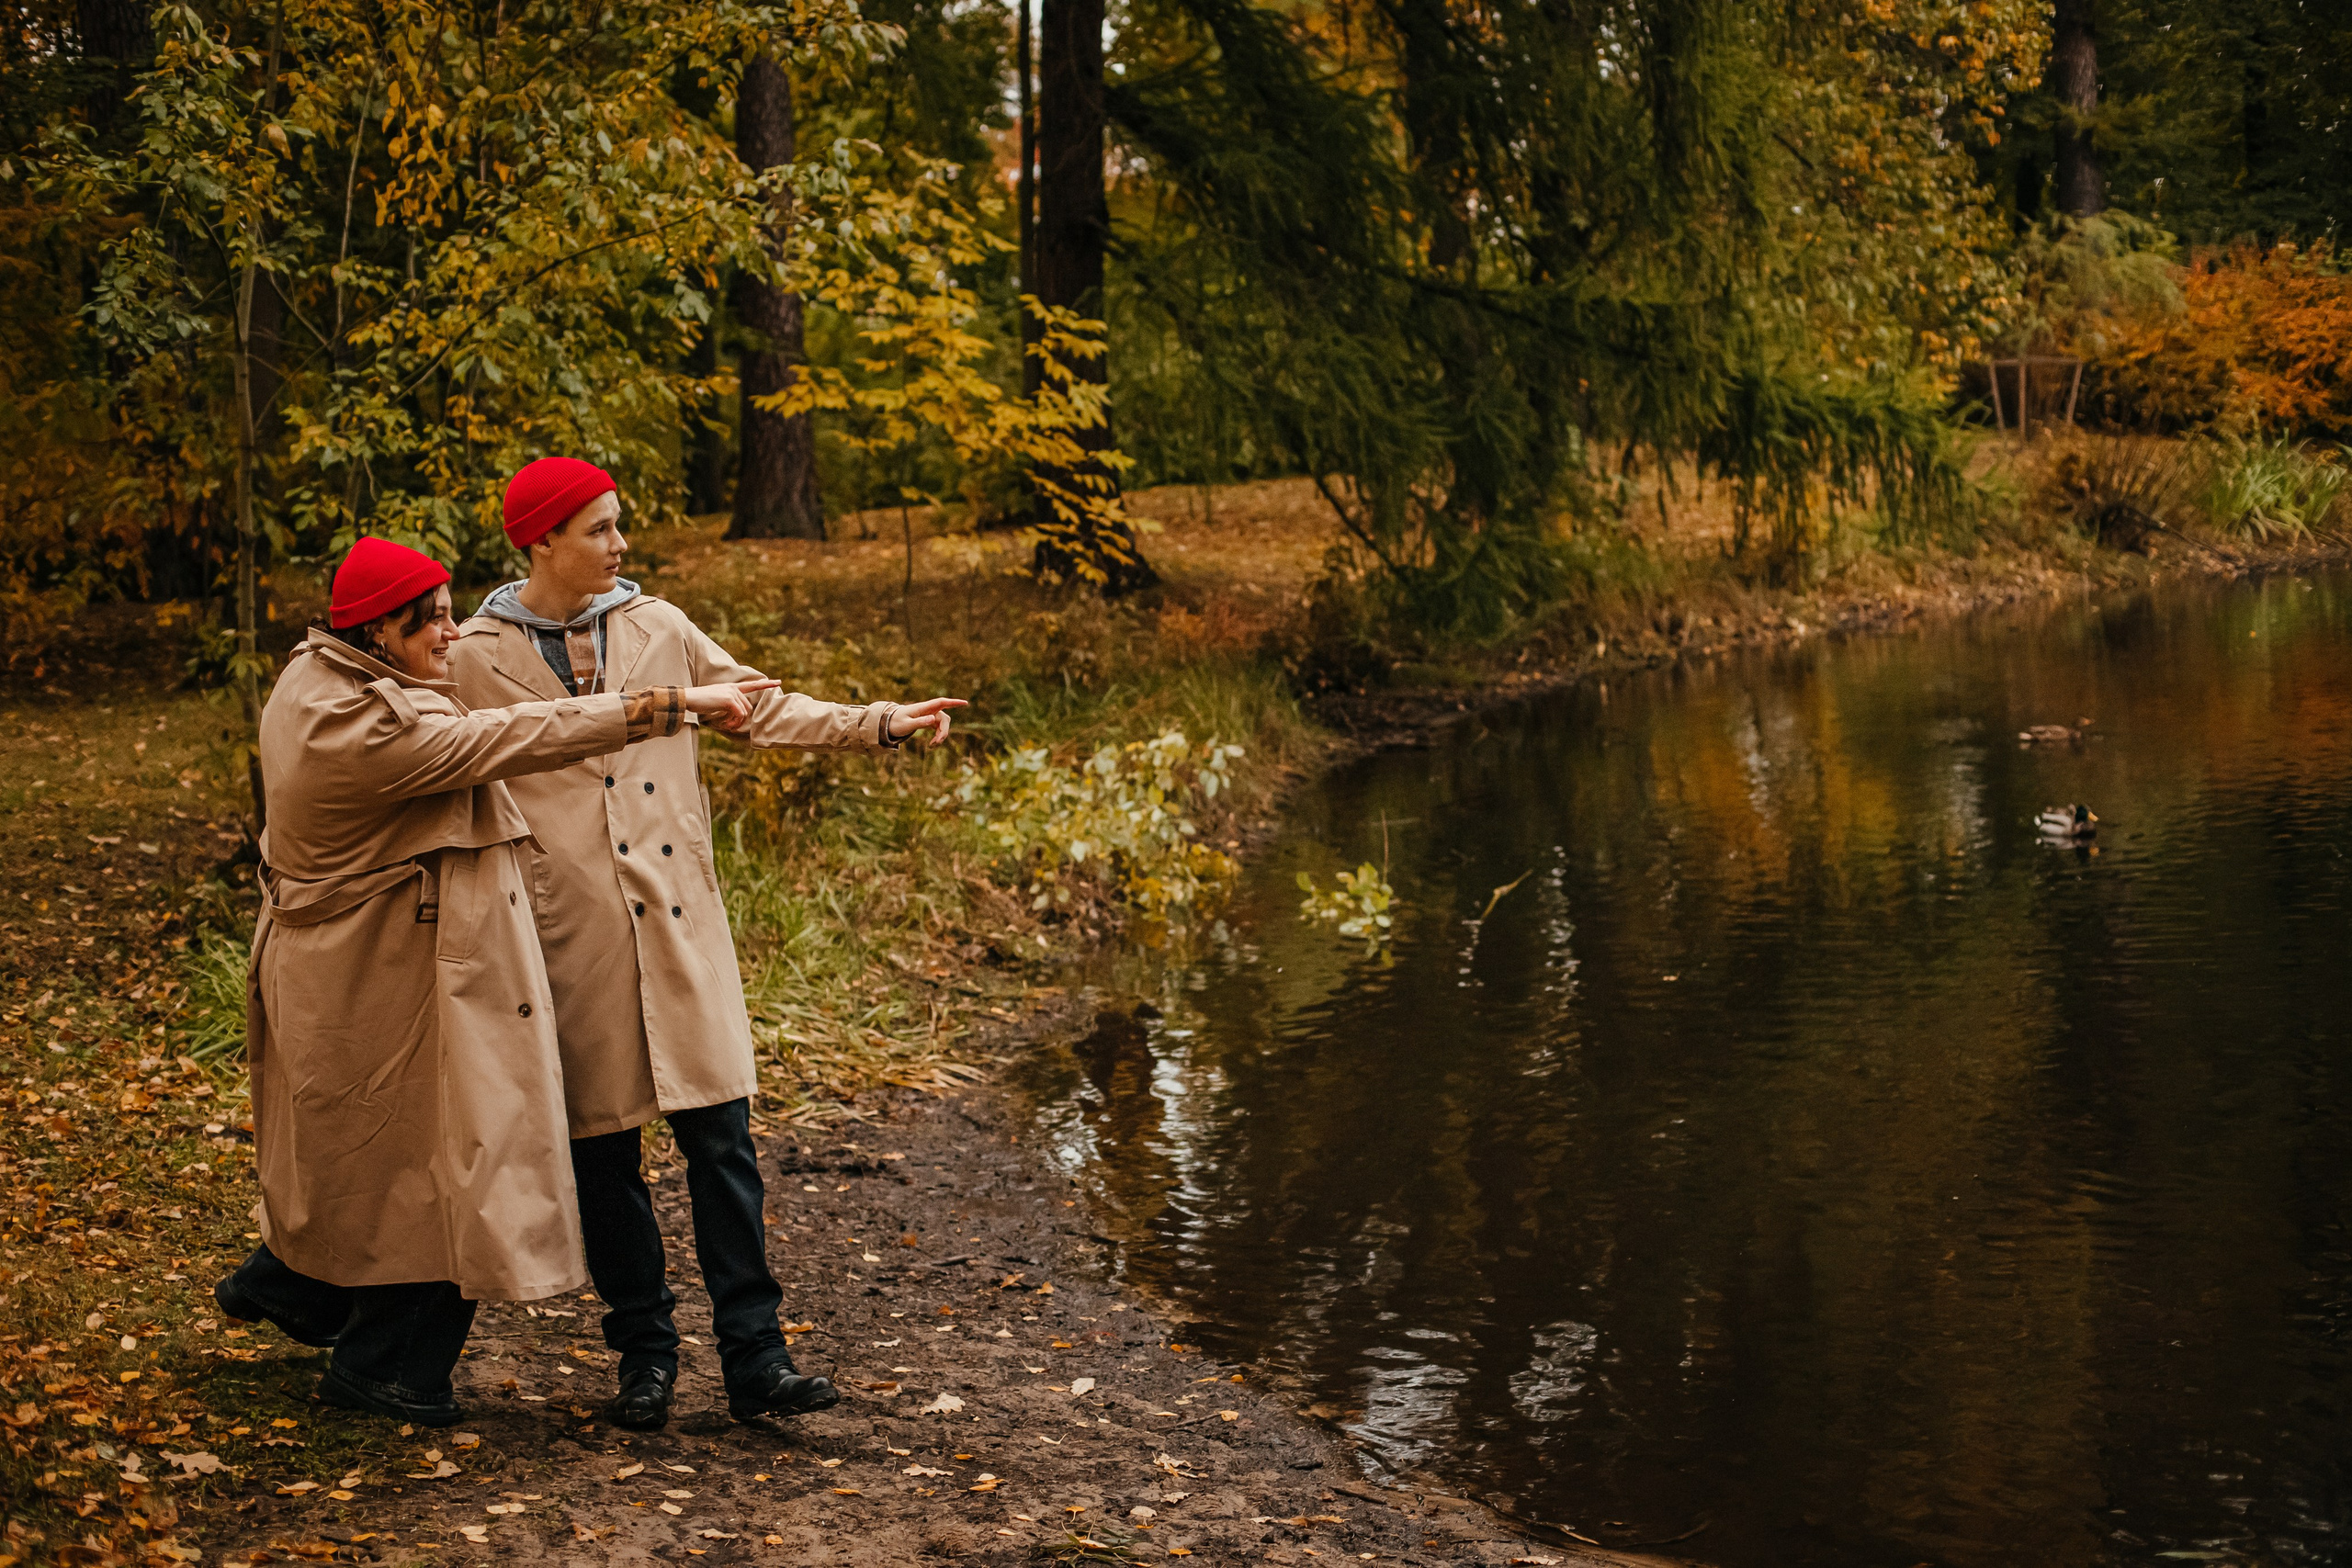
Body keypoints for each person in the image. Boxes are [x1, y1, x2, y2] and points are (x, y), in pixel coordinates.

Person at [213, 536, 780, 1425]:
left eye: (447, 609)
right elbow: (516, 735)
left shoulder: (326, 678)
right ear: (373, 631)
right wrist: (665, 706)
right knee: (447, 1175)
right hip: (367, 987)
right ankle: (381, 1364)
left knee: (389, 1166)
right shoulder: (365, 725)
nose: (450, 630)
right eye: (428, 618)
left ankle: (298, 1290)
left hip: (367, 979)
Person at [447, 457, 965, 1429]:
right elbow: (434, 761)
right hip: (566, 937)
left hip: (676, 920)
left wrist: (882, 724)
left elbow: (760, 708)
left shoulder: (660, 627)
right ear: (543, 540)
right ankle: (643, 1354)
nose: (619, 543)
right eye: (599, 528)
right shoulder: (472, 656)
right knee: (604, 1160)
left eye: (617, 525)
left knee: (721, 1142)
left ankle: (755, 1359)